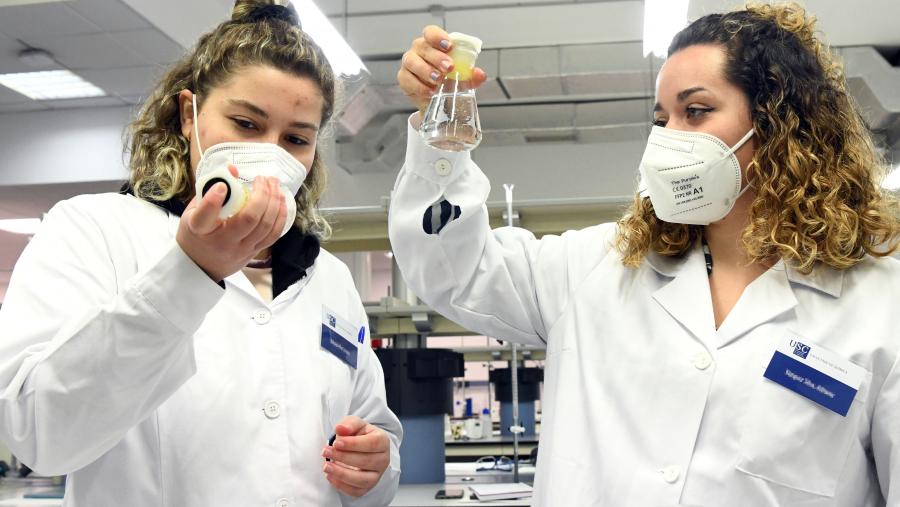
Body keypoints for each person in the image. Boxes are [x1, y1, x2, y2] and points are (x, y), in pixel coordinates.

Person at [391, 3, 900, 506]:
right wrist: (442, 134)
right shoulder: (597, 268)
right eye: (662, 118)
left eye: (695, 111)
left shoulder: (881, 308)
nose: (667, 138)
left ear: (781, 127)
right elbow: (456, 270)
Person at [0, 1, 401, 505]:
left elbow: (372, 431)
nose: (272, 155)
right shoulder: (94, 230)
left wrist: (376, 464)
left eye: (296, 138)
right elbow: (39, 433)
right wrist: (190, 272)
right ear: (189, 115)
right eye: (247, 124)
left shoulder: (328, 277)